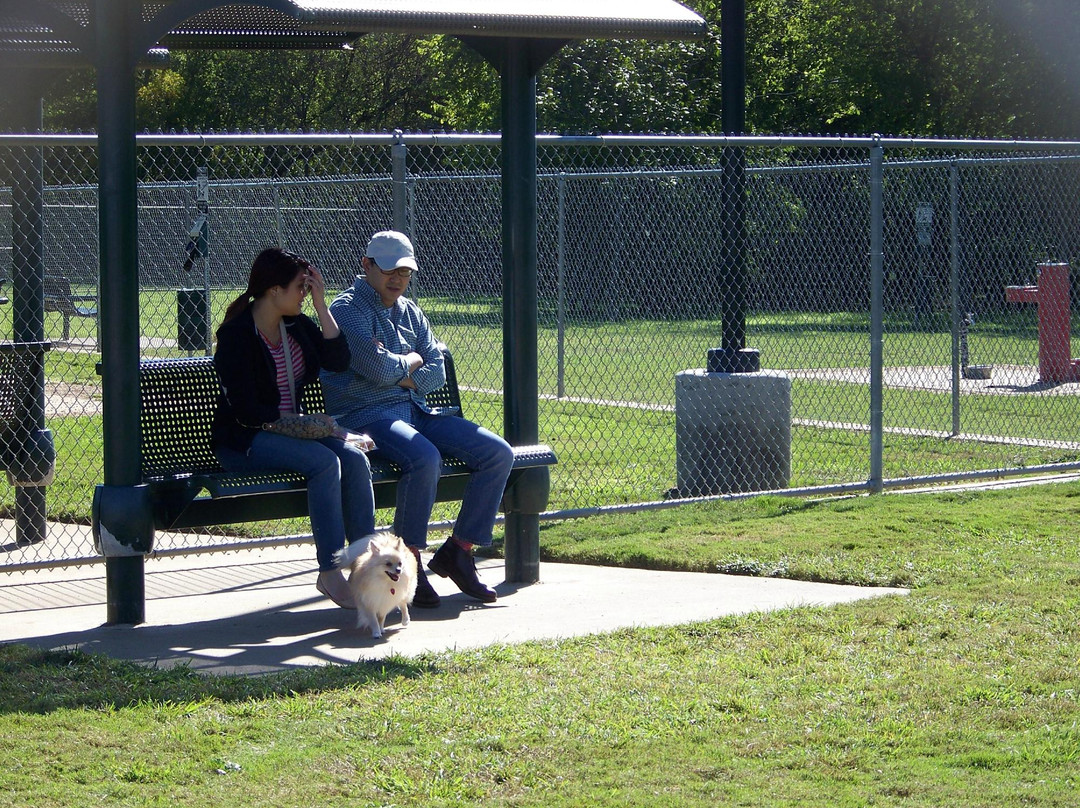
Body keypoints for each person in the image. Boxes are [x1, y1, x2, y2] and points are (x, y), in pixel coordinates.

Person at [322, 231, 513, 608]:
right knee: (424, 458)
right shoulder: (345, 310)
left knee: (498, 453)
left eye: (405, 272)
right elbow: (374, 368)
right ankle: (410, 566)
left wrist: (403, 368)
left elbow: (437, 367)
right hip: (367, 415)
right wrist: (411, 360)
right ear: (367, 265)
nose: (397, 279)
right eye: (390, 269)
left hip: (418, 410)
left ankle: (458, 551)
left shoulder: (410, 311)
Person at [211, 247, 376, 610]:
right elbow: (248, 411)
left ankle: (366, 566)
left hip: (292, 432)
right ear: (274, 290)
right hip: (245, 439)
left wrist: (320, 304)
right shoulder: (237, 335)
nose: (305, 292)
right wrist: (307, 425)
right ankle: (330, 569)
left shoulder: (296, 326)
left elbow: (338, 359)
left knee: (353, 459)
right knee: (324, 462)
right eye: (301, 287)